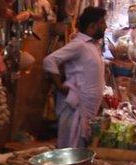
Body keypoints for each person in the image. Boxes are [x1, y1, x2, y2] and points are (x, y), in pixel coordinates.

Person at [42, 7, 107, 149]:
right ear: (92, 26)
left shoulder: (93, 45)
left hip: (88, 107)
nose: (105, 26)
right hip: (76, 106)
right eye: (102, 22)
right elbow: (49, 60)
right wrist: (59, 85)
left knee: (80, 148)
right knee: (71, 147)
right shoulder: (79, 45)